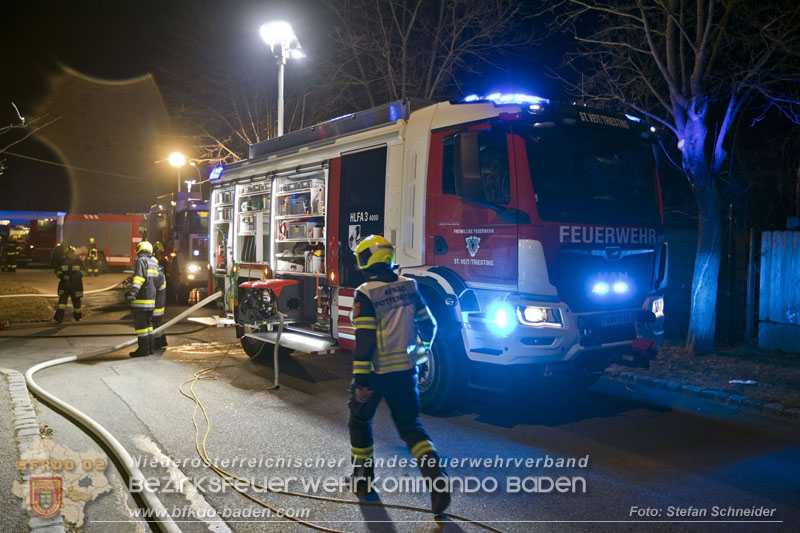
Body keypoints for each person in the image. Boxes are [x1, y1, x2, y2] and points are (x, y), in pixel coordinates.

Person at [347, 235, 451, 514]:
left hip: (376, 372)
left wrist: (361, 379)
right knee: (411, 428)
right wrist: (422, 351)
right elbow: (429, 326)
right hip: (405, 373)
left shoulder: (366, 292)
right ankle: (436, 480)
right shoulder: (411, 287)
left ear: (367, 259)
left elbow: (366, 340)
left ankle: (363, 481)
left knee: (359, 420)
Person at [126, 241, 159, 357]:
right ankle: (150, 348)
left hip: (141, 300)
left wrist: (132, 293)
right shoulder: (154, 263)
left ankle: (143, 349)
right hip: (151, 300)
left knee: (141, 327)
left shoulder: (141, 261)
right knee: (149, 326)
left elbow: (139, 279)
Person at [53, 246, 83, 322]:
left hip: (76, 285)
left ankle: (78, 317)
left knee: (76, 303)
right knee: (62, 302)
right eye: (70, 253)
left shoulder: (78, 262)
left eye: (73, 252)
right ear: (66, 253)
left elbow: (83, 271)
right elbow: (57, 271)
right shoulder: (62, 262)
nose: (71, 254)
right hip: (64, 284)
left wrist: (75, 276)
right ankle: (59, 317)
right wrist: (62, 276)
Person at [152, 259, 167, 348]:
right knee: (158, 324)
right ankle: (161, 341)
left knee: (156, 325)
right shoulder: (159, 274)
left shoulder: (158, 275)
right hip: (158, 305)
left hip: (157, 306)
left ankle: (158, 342)